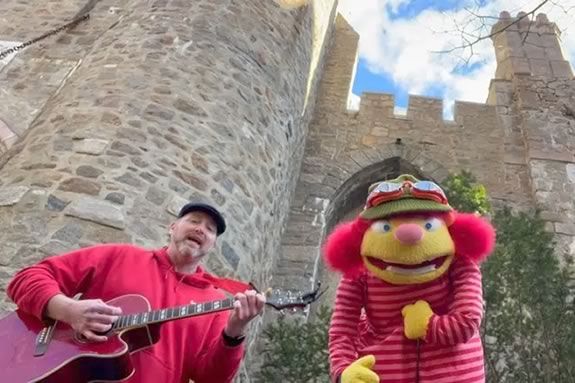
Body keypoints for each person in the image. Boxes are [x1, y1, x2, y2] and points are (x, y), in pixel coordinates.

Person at [7, 202, 266, 383]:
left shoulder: (215, 304)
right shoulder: (120, 256)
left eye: (210, 229)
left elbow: (210, 379)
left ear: (212, 245)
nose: (201, 229)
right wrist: (68, 310)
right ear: (172, 227)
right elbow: (27, 278)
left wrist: (233, 334)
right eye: (194, 221)